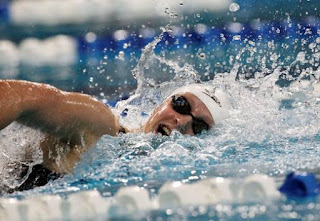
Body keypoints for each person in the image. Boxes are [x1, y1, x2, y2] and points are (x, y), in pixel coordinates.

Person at [0, 79, 229, 192]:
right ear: (162, 102)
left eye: (198, 127)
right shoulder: (101, 126)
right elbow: (21, 97)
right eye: (180, 104)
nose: (181, 122)